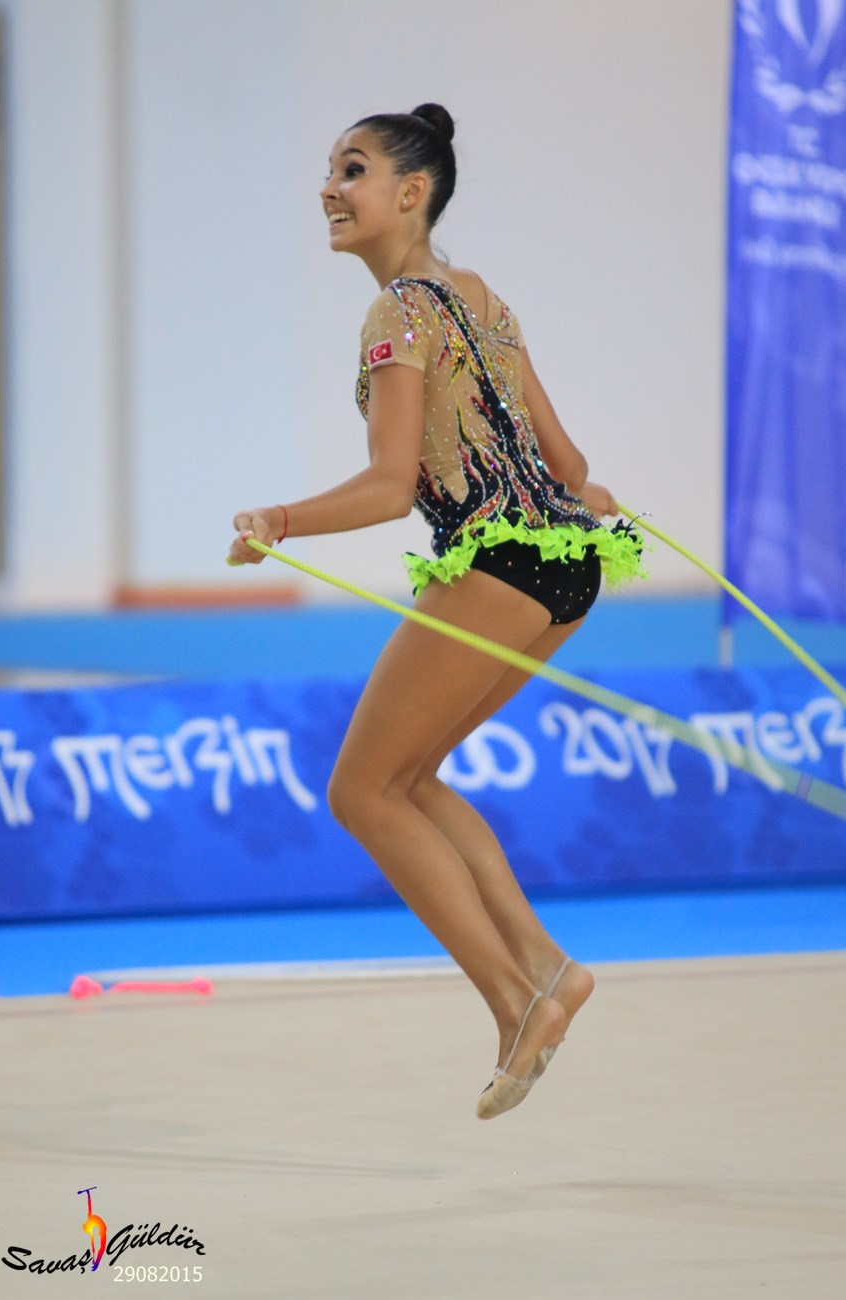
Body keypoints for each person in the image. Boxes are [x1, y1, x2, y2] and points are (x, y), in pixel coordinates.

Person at [229, 103, 644, 1119]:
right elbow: (569, 464)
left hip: (498, 565)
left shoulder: (397, 314)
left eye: (352, 170)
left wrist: (278, 520)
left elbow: (388, 486)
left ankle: (515, 999)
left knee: (361, 791)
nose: (329, 189)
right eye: (331, 170)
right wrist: (578, 498)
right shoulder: (482, 297)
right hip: (568, 568)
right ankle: (546, 966)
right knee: (409, 779)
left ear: (411, 192)